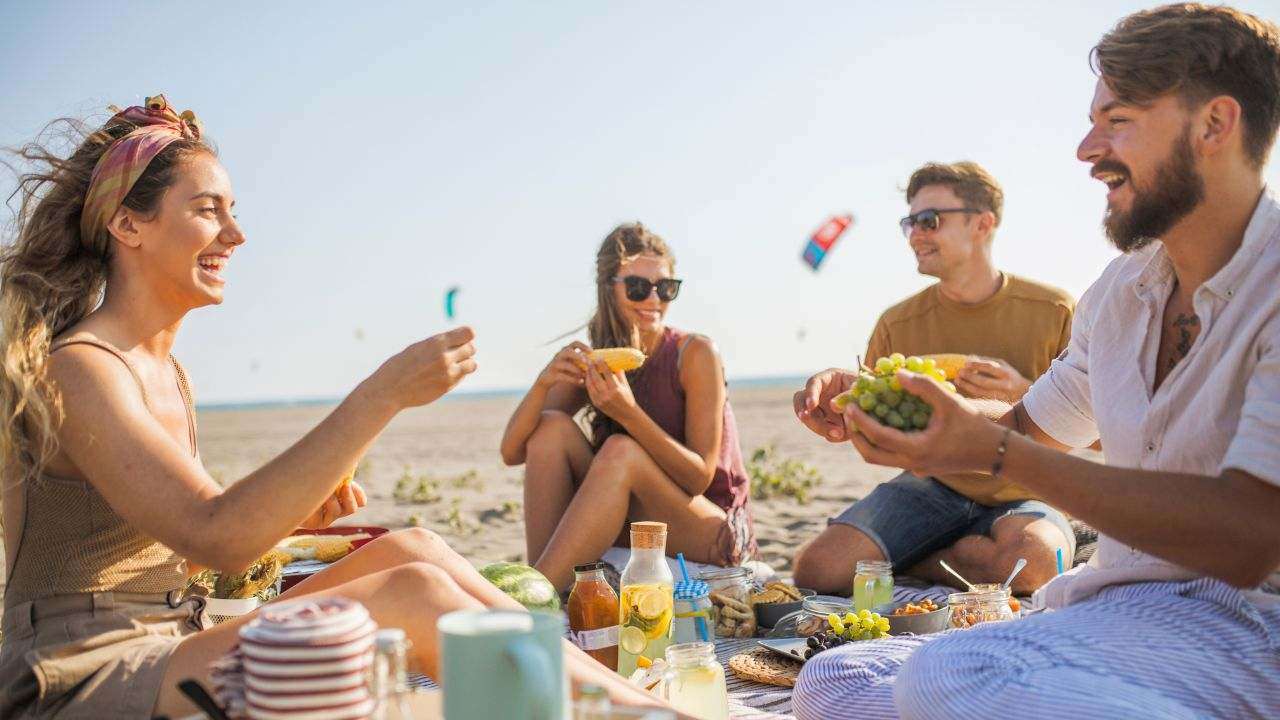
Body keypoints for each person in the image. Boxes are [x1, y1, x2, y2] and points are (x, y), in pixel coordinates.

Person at [0, 96, 673, 719]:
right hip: (83, 667)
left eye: (234, 210)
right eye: (209, 210)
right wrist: (383, 394)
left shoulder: (164, 370)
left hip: (173, 634)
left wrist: (292, 514)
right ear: (127, 225)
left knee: (416, 550)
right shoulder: (83, 368)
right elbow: (214, 532)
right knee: (412, 595)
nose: (235, 234)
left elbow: (176, 552)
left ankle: (626, 698)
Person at [793, 5, 1280, 718]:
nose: (1087, 148)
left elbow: (1247, 539)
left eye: (1117, 120)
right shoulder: (1120, 295)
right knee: (834, 679)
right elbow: (1026, 427)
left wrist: (995, 451)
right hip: (1115, 610)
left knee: (954, 675)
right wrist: (911, 417)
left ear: (1213, 126)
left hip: (1249, 626)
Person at [793, 161, 1076, 596]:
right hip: (931, 487)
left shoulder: (1054, 309)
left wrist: (1026, 393)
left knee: (1033, 565)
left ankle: (920, 557)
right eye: (909, 223)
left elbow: (1103, 434)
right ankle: (955, 555)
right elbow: (878, 423)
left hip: (1027, 488)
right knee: (816, 570)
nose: (915, 235)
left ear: (983, 223)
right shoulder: (896, 322)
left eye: (929, 221)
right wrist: (839, 410)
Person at [501, 222, 754, 591]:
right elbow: (512, 452)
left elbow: (699, 477)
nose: (654, 300)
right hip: (637, 513)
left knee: (620, 450)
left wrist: (627, 413)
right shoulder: (598, 358)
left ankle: (533, 596)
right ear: (610, 289)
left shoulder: (696, 353)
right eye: (638, 288)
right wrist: (543, 383)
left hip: (712, 526)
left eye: (666, 288)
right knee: (552, 427)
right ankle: (544, 589)